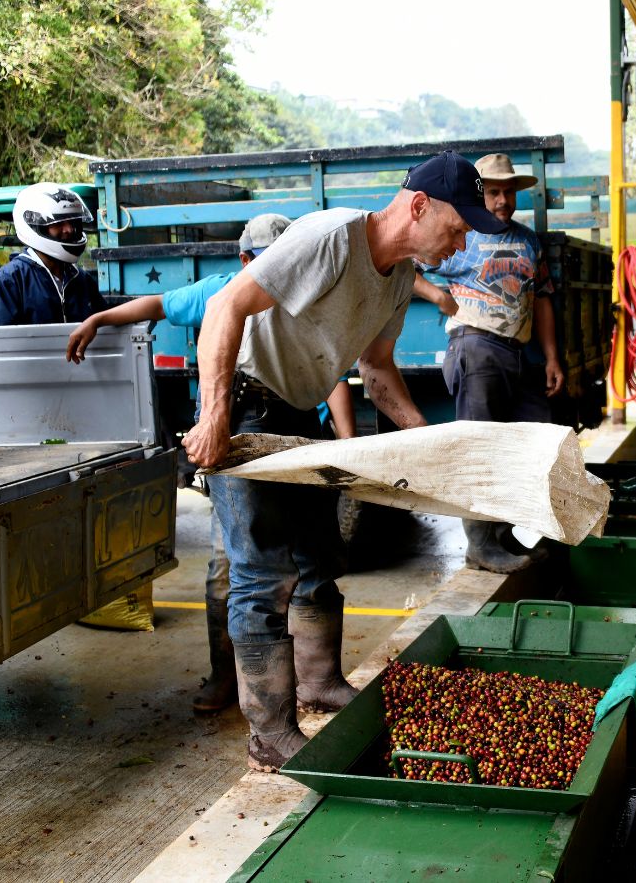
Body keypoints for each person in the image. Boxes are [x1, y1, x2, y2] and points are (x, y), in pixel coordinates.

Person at [180, 151, 505, 772]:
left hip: (299, 410)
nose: (461, 242)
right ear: (418, 206)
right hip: (248, 402)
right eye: (458, 227)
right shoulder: (330, 238)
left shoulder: (399, 281)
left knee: (320, 559)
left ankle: (320, 681)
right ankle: (269, 732)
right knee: (260, 575)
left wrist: (428, 440)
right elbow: (226, 309)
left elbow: (377, 373)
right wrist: (214, 415)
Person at [65, 213, 349, 714]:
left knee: (314, 560)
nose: (282, 272)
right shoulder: (219, 292)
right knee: (235, 568)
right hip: (235, 435)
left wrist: (348, 446)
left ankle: (320, 680)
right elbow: (157, 303)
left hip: (300, 433)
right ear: (245, 261)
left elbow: (334, 376)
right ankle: (228, 677)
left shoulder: (309, 299)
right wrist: (100, 319)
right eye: (269, 262)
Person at [412, 152, 564, 573]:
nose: (502, 200)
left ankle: (502, 532)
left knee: (528, 441)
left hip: (518, 352)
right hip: (475, 346)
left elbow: (544, 298)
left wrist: (551, 357)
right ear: (482, 194)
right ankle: (479, 543)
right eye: (494, 192)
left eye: (508, 192)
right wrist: (438, 296)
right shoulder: (463, 233)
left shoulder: (528, 241)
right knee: (479, 447)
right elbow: (405, 266)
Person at [0, 182, 107, 325]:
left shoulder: (82, 280)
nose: (69, 230)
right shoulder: (10, 281)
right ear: (35, 225)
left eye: (73, 222)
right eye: (59, 223)